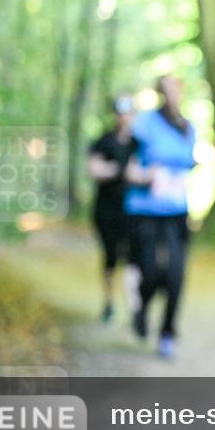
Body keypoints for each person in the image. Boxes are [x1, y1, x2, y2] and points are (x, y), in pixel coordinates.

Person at [124, 76, 197, 360]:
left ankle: (168, 332)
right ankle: (141, 307)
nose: (172, 95)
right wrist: (146, 177)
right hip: (144, 211)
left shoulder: (188, 127)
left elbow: (188, 164)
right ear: (159, 93)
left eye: (176, 88)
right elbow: (127, 168)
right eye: (165, 90)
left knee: (176, 274)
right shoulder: (143, 125)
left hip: (177, 211)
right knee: (151, 271)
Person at [86, 94, 137, 324]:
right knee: (110, 258)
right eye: (120, 111)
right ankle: (108, 303)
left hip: (133, 211)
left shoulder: (138, 143)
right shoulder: (104, 141)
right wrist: (118, 171)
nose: (124, 116)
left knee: (132, 259)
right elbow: (94, 169)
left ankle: (134, 307)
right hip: (106, 210)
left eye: (127, 111)